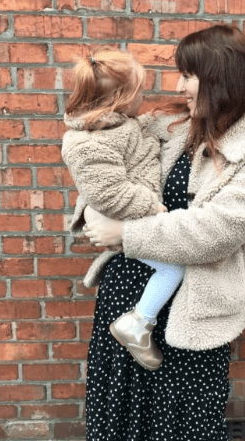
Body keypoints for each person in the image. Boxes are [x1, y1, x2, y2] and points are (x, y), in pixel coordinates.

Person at [81, 25, 245, 441]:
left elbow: (215, 232)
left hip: (198, 299)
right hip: (131, 293)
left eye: (187, 75)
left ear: (219, 78)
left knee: (193, 399)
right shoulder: (170, 123)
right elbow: (108, 161)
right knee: (132, 400)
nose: (177, 86)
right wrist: (93, 210)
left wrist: (125, 232)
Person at [62, 49, 186, 371]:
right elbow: (108, 192)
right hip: (124, 217)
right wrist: (154, 209)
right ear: (121, 97)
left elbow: (136, 137)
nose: (144, 99)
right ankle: (138, 323)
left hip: (127, 219)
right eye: (140, 92)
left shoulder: (119, 125)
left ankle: (140, 322)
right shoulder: (87, 142)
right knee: (174, 268)